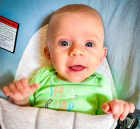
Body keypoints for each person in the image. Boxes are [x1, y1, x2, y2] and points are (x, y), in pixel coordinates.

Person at [2, 4, 135, 121]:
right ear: (48, 55)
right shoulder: (42, 77)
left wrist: (116, 110)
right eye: (64, 43)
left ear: (101, 56)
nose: (76, 51)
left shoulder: (100, 84)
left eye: (89, 44)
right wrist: (21, 99)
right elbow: (25, 117)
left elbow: (104, 124)